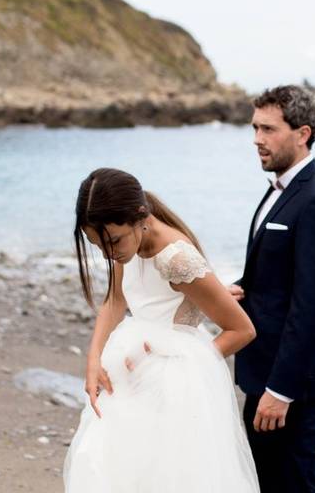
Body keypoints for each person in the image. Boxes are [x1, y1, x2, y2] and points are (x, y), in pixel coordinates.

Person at [63, 168, 260, 492]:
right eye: (98, 245)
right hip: (128, 376)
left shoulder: (176, 258)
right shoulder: (126, 238)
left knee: (163, 476)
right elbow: (115, 299)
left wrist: (165, 366)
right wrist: (93, 359)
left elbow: (241, 329)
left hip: (172, 386)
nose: (109, 253)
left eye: (112, 242)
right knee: (107, 465)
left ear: (140, 217)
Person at [228, 85, 315, 493]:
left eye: (268, 129)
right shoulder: (279, 188)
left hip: (290, 384)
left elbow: (312, 307)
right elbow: (276, 274)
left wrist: (281, 391)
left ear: (302, 133)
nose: (257, 140)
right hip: (262, 372)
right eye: (255, 128)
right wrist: (240, 290)